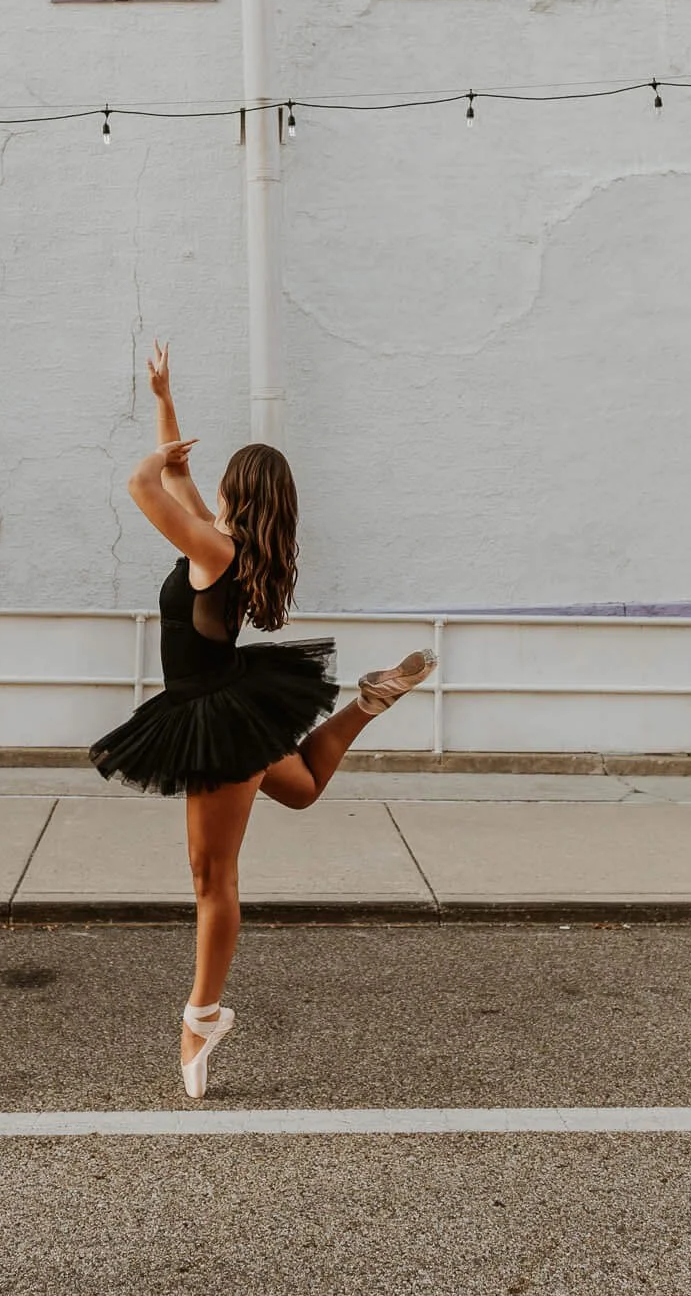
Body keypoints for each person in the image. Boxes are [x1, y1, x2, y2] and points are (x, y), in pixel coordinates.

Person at [89, 339, 437, 1099]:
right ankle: (369, 702)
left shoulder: (213, 549)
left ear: (236, 490)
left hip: (212, 712)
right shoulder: (228, 545)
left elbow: (145, 483)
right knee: (303, 786)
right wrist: (162, 398)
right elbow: (175, 474)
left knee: (211, 878)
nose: (202, 481)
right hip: (226, 699)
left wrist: (153, 461)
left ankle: (203, 1014)